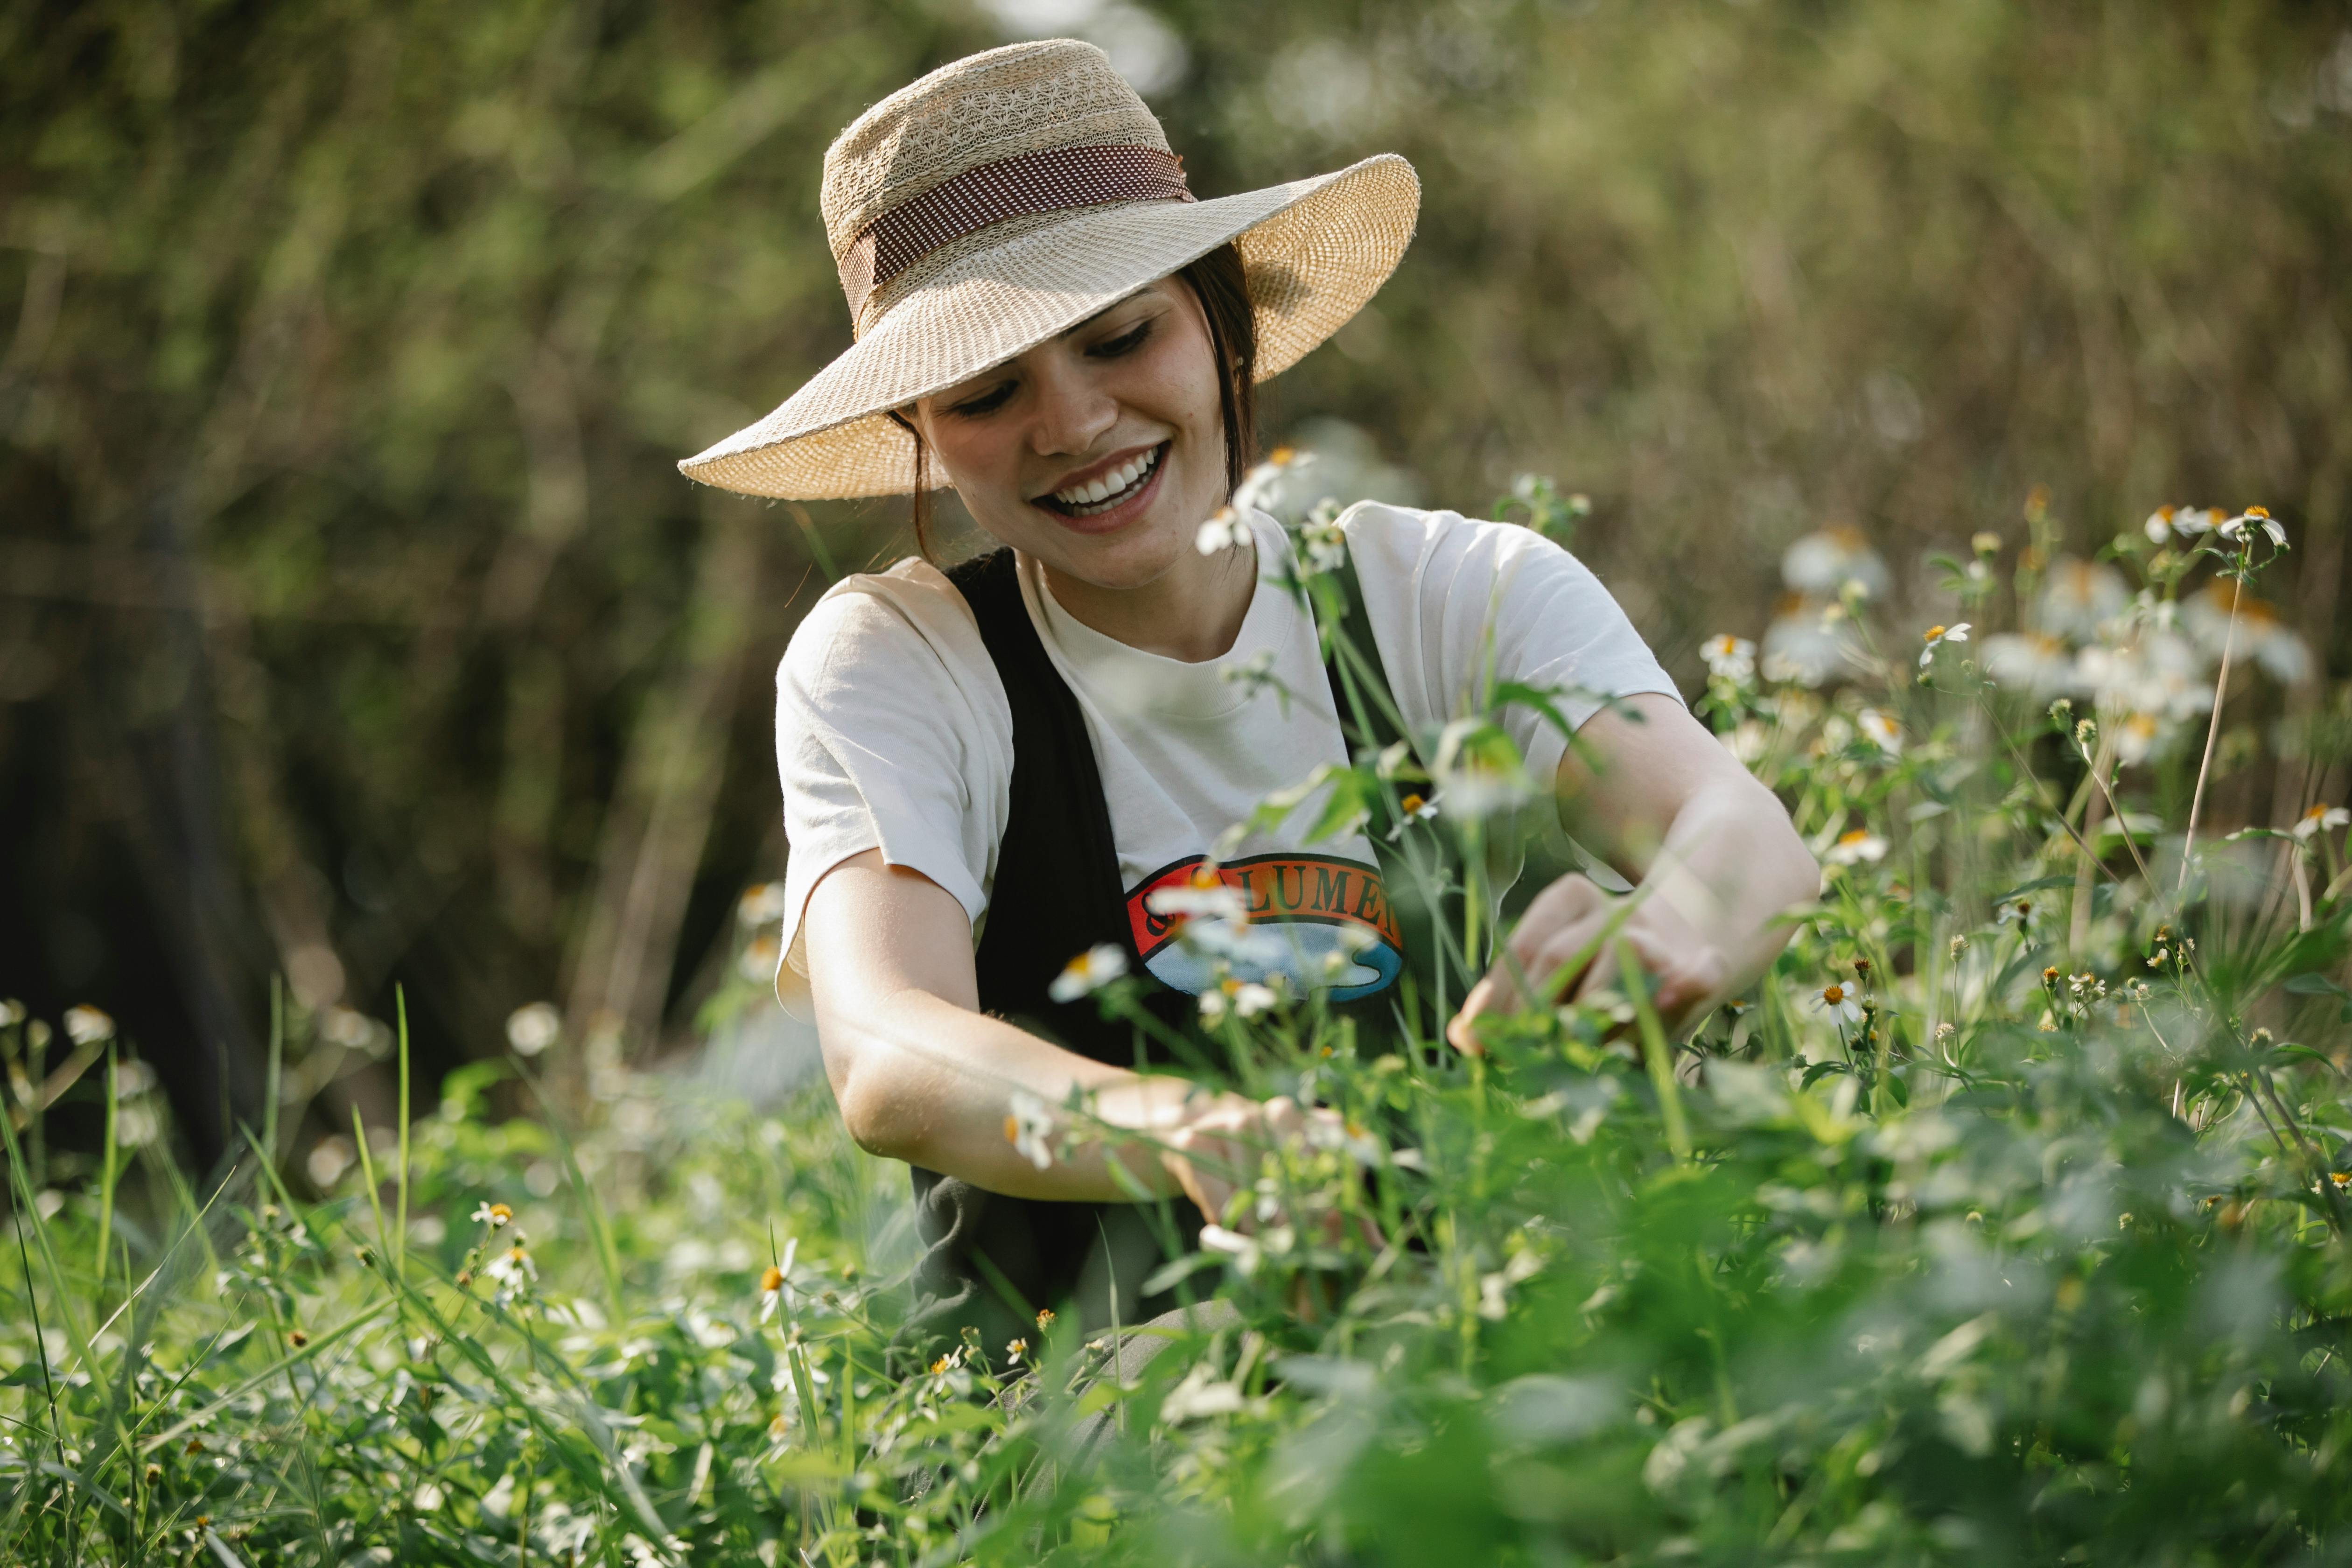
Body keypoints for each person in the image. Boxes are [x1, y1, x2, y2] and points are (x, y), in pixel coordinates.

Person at [678, 39, 1816, 1359]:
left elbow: (1749, 838)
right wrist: (1180, 1133)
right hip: (1076, 1430)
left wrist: (1664, 934)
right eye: (989, 393)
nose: (1074, 423)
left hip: (1464, 1361)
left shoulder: (1444, 592)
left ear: (1222, 315)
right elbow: (885, 1049)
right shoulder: (901, 659)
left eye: (1121, 337)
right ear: (922, 436)